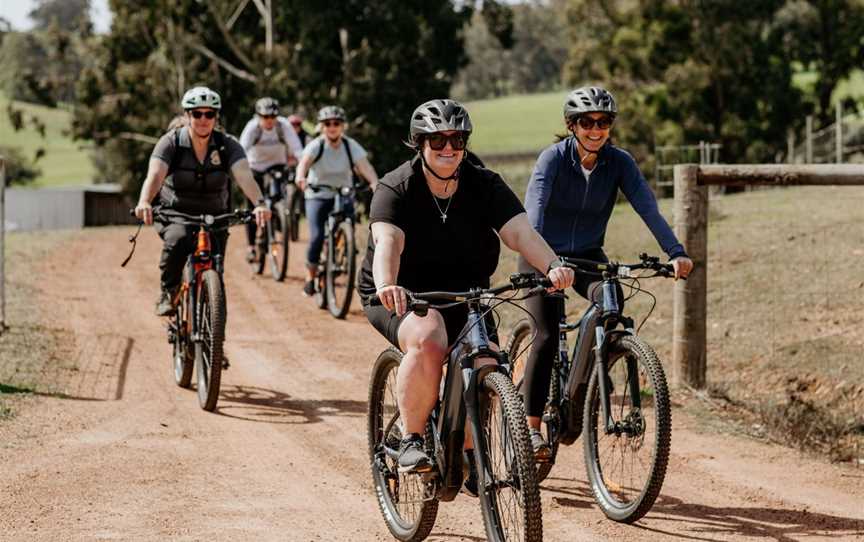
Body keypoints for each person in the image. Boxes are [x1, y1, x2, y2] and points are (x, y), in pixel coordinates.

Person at [359, 99, 575, 478]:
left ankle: (470, 450)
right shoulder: (396, 187)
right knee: (429, 337)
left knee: (487, 361)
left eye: (456, 140)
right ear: (419, 143)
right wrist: (387, 284)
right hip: (403, 293)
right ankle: (411, 438)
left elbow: (521, 232)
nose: (448, 148)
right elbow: (387, 242)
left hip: (467, 293)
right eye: (437, 140)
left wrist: (553, 264)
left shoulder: (484, 184)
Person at [520, 85, 694, 457]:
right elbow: (532, 215)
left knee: (610, 303)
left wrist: (675, 252)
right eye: (587, 122)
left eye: (604, 121)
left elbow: (648, 208)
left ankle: (586, 380)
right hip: (542, 253)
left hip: (586, 255)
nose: (596, 129)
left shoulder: (619, 163)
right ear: (572, 125)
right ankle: (532, 427)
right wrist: (547, 263)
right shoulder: (552, 160)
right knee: (547, 336)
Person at [134, 86, 271, 316]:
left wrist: (259, 203)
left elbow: (244, 176)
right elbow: (156, 175)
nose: (203, 119)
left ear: (216, 117)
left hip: (216, 214)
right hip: (177, 212)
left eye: (209, 114)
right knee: (177, 240)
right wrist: (145, 201)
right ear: (187, 115)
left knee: (216, 272)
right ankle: (168, 293)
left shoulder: (228, 145)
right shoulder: (171, 143)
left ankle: (214, 343)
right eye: (197, 113)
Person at [295, 105, 379, 296]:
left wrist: (375, 183)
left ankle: (344, 252)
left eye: (336, 123)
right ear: (321, 126)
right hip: (318, 195)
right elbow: (304, 164)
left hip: (344, 193)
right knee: (316, 237)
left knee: (348, 224)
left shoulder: (350, 146)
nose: (332, 127)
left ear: (343, 126)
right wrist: (301, 177)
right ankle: (310, 276)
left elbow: (365, 167)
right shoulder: (317, 145)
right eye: (327, 123)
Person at [239, 97, 304, 262]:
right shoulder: (252, 128)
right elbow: (240, 150)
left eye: (272, 117)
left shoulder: (283, 126)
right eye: (265, 117)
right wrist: (241, 170)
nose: (269, 121)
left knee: (277, 198)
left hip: (277, 166)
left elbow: (297, 148)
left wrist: (303, 166)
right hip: (255, 167)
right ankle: (251, 247)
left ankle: (277, 221)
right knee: (253, 205)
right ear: (258, 116)